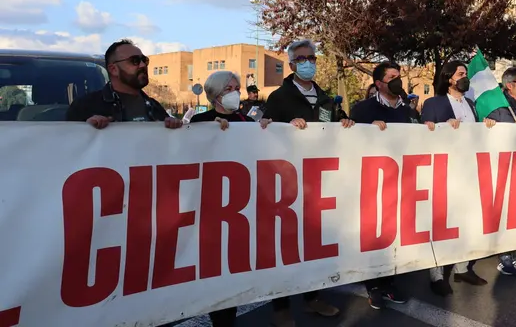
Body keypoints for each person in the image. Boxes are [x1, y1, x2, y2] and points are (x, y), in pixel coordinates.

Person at [260, 39, 350, 326]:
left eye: (311, 57)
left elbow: (338, 122)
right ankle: (281, 307)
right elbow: (264, 132)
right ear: (291, 64)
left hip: (319, 182)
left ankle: (313, 298)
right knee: (286, 244)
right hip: (287, 184)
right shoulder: (279, 97)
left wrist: (346, 122)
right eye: (301, 58)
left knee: (314, 243)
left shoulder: (325, 98)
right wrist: (283, 127)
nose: (308, 62)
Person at [420, 61, 495, 296]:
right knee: (442, 222)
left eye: (465, 74)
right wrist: (442, 127)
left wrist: (486, 126)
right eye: (460, 74)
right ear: (448, 78)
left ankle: (462, 267)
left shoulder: (470, 104)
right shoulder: (434, 103)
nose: (465, 77)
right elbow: (424, 133)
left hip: (469, 170)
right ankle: (437, 274)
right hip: (443, 170)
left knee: (466, 220)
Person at [188, 71, 254, 327]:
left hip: (242, 207)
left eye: (237, 87)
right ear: (215, 93)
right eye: (229, 88)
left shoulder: (246, 121)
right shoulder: (201, 121)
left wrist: (269, 130)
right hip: (212, 207)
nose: (235, 92)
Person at [350, 61, 411, 309]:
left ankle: (389, 281)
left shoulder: (407, 110)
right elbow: (351, 139)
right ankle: (373, 285)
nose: (398, 80)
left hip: (401, 181)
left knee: (393, 232)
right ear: (378, 83)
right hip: (371, 182)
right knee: (373, 234)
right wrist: (368, 131)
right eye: (392, 77)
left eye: (399, 76)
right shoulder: (363, 109)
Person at [66, 39, 182, 129]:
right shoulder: (85, 106)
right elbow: (67, 146)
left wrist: (173, 127)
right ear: (113, 69)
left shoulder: (154, 107)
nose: (142, 65)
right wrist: (86, 129)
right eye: (134, 61)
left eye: (144, 60)